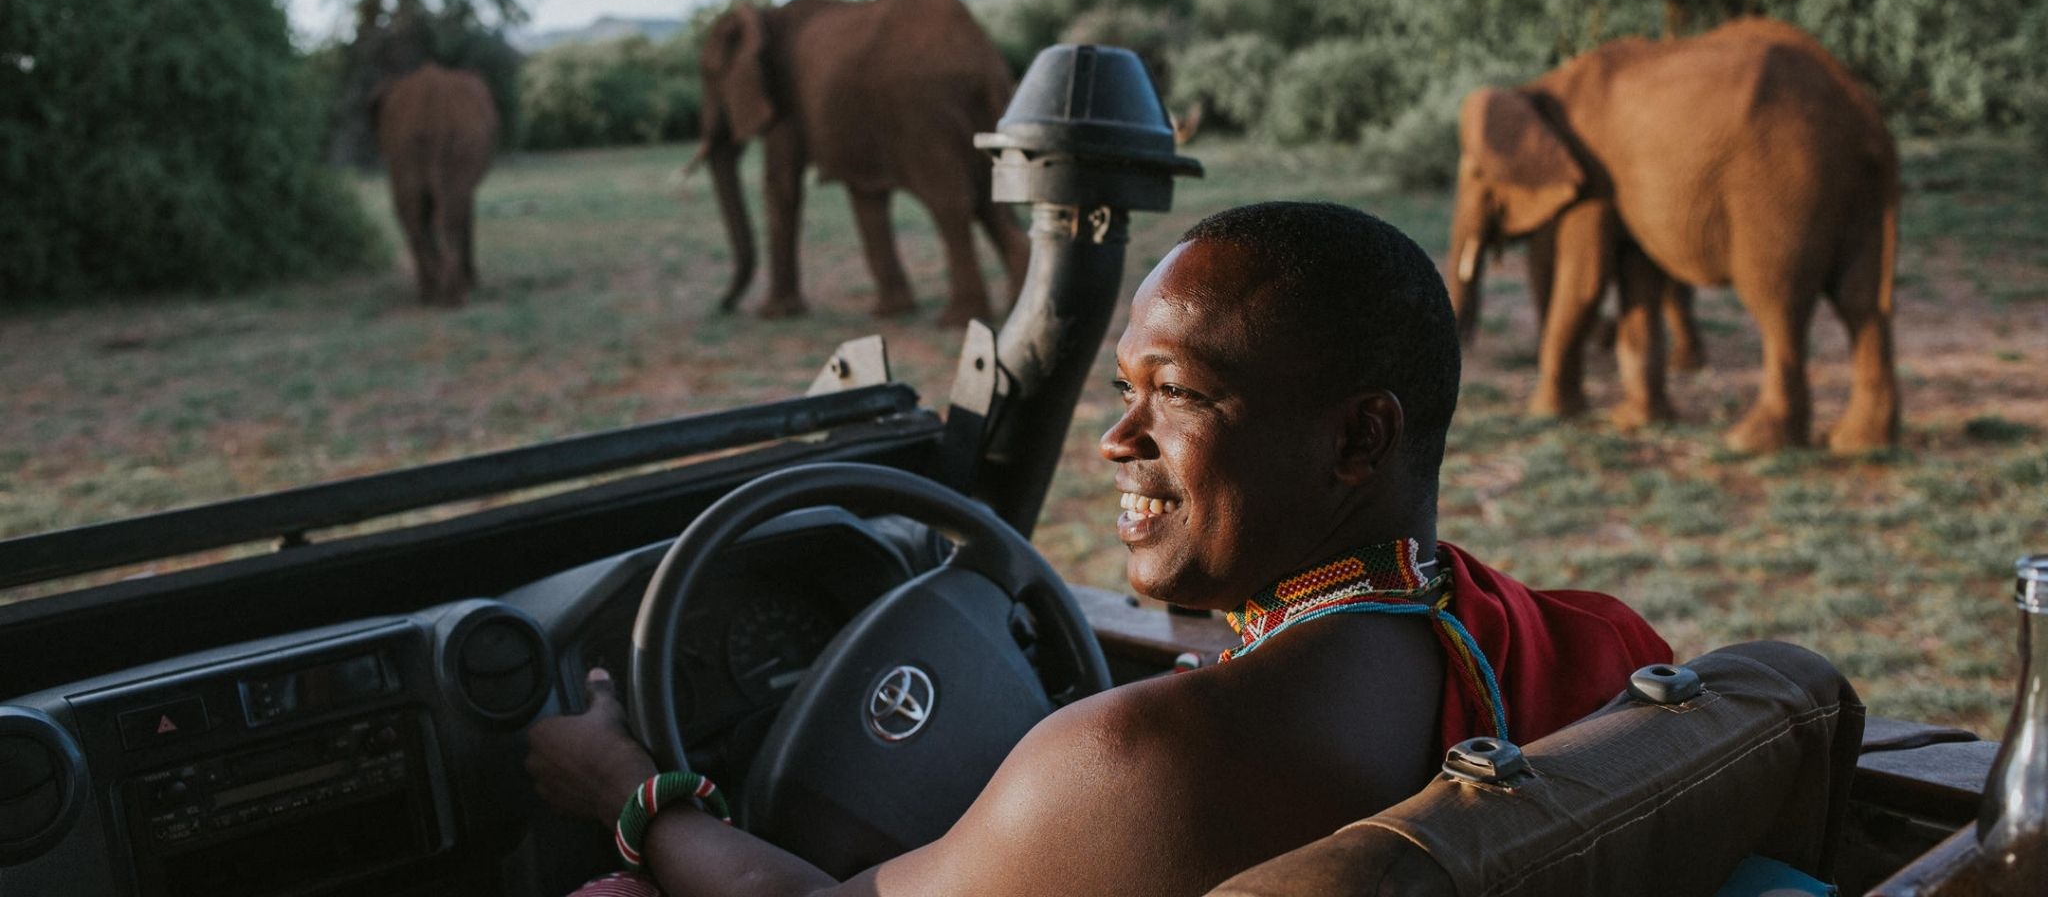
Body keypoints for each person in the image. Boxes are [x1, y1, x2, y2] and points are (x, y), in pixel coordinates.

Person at [525, 201, 1671, 896]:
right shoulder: (1555, 644)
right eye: (1122, 387)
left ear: (1357, 438)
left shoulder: (1142, 764)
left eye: (1175, 394)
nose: (1117, 436)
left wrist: (627, 783)